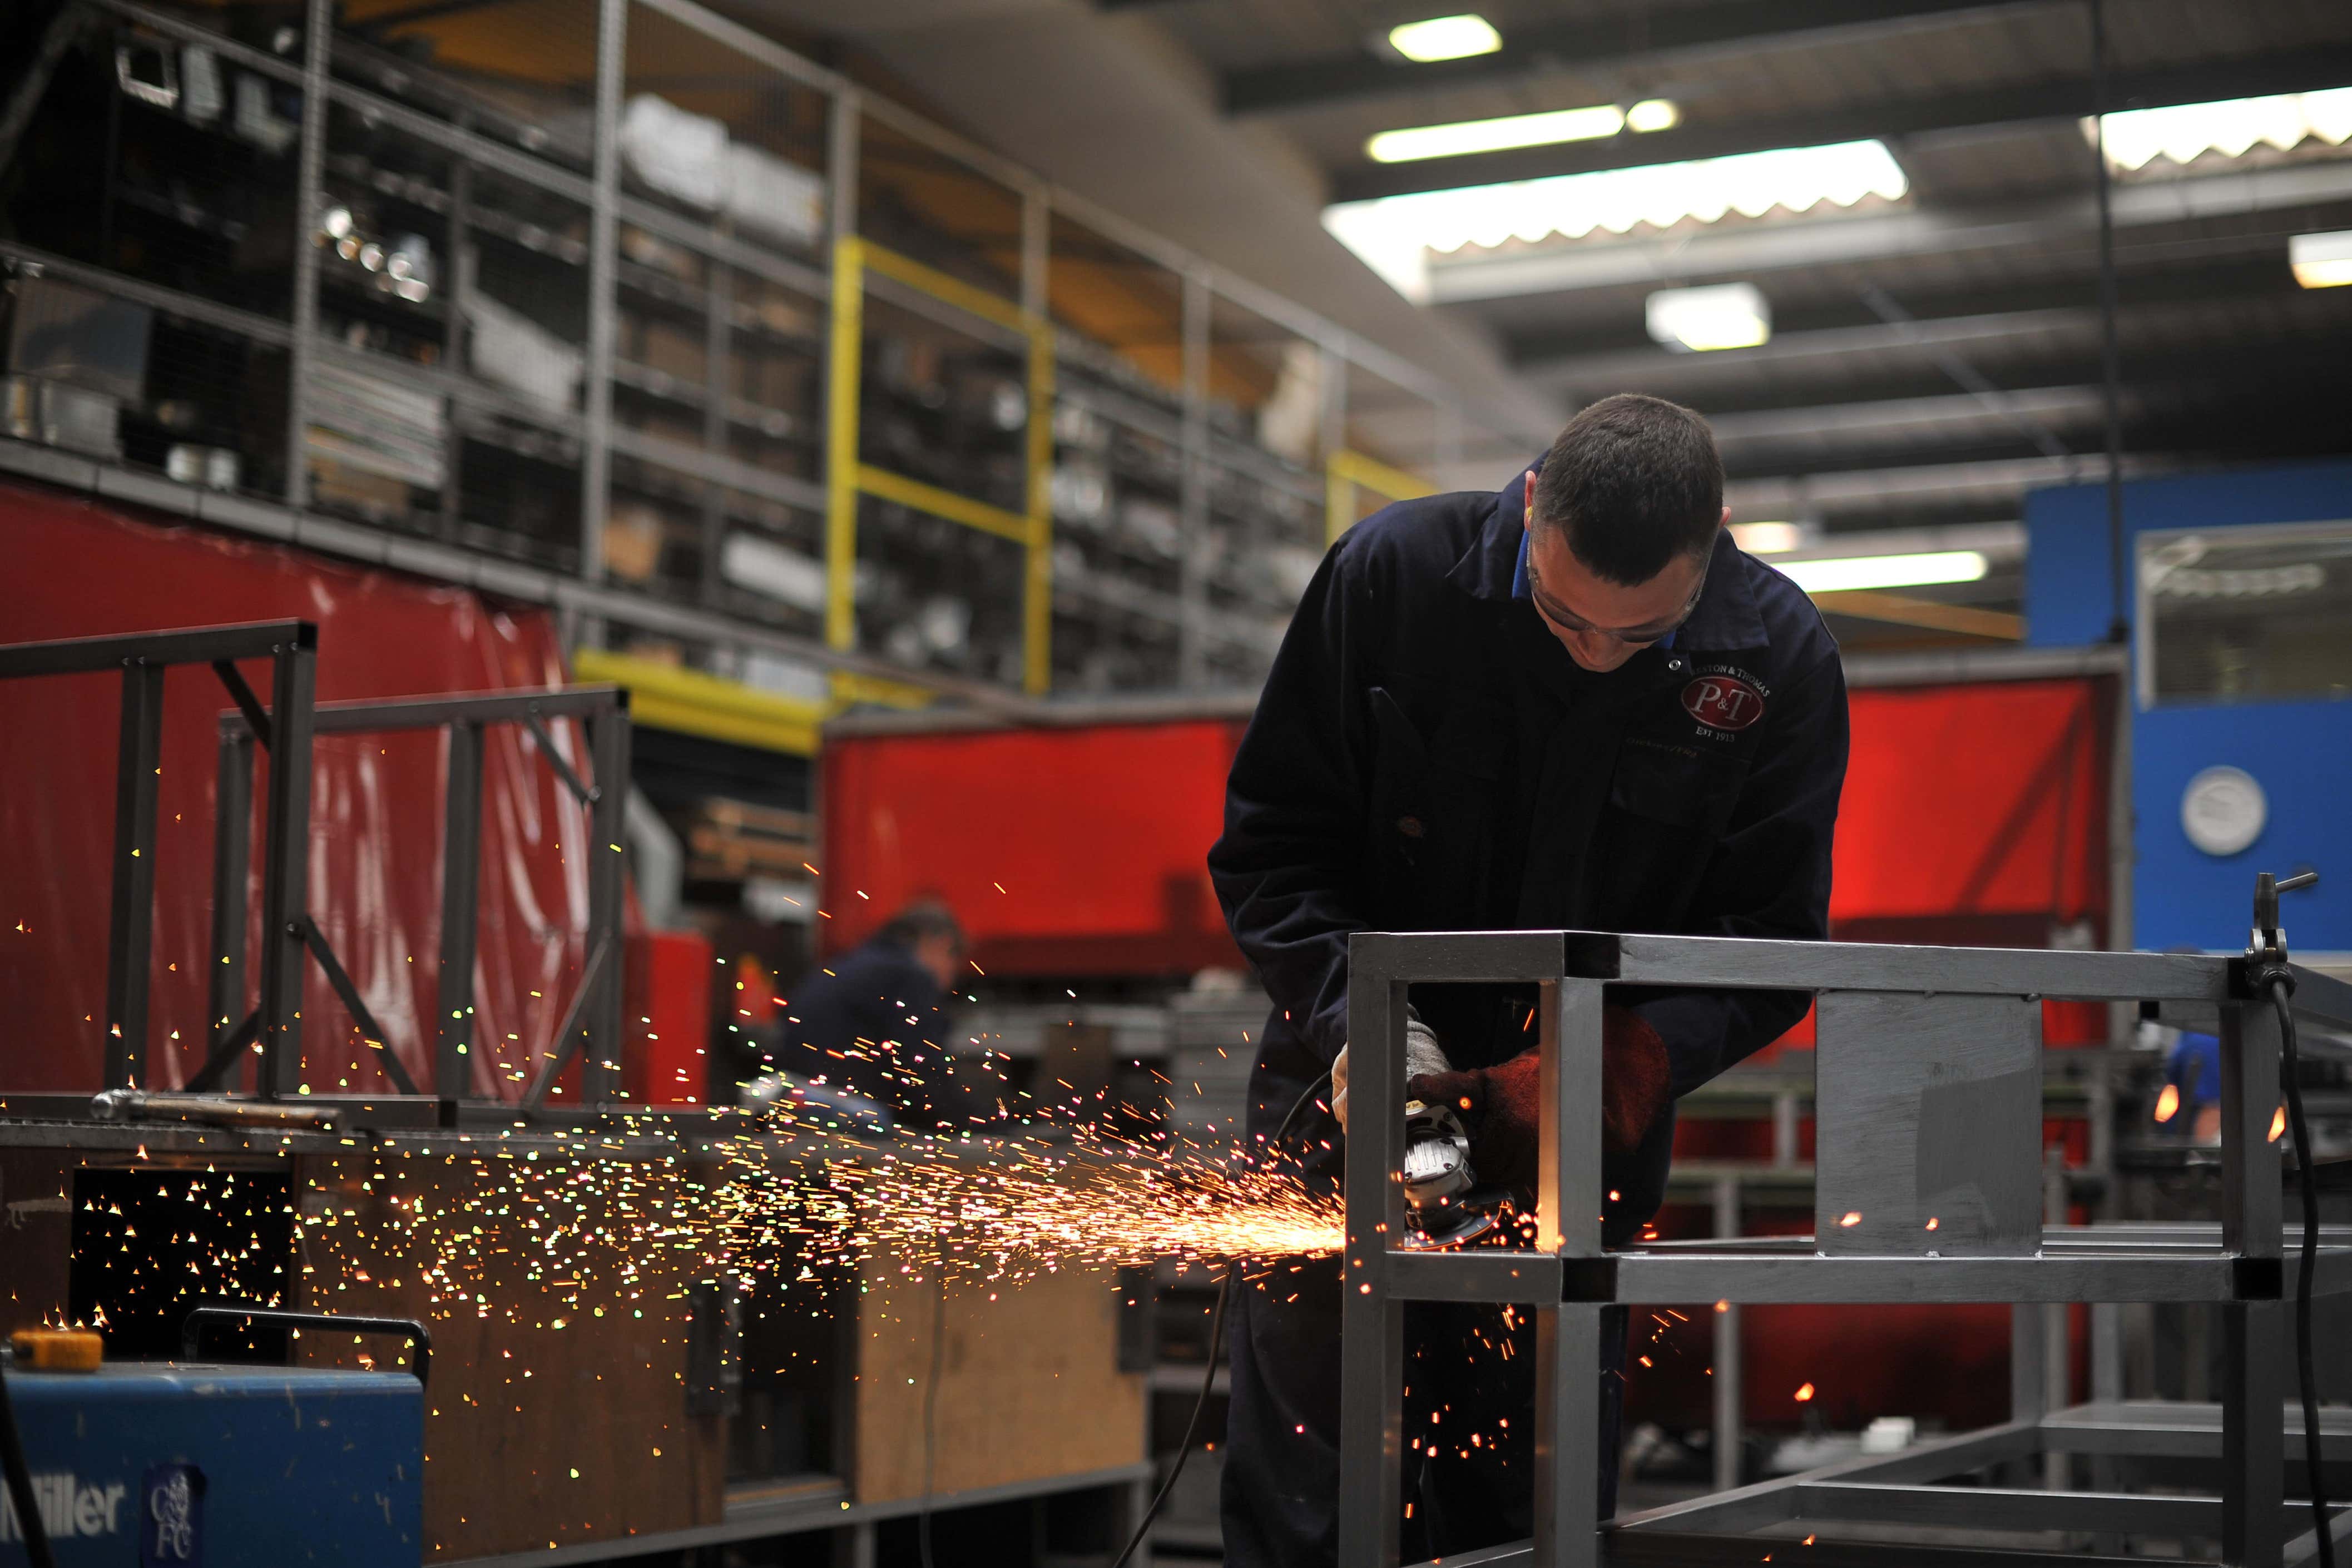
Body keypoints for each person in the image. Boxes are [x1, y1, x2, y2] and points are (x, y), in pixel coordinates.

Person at [1207, 393, 1850, 1563]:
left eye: (1637, 637)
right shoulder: (1392, 578)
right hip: (1346, 1100)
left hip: (1574, 1140)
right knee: (1316, 1484)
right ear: (1527, 504)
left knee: (1528, 1495)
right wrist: (1375, 1032)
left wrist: (1583, 1082)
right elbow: (1272, 849)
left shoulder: (1780, 658)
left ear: (1711, 545)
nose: (1592, 652)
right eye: (1560, 614)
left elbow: (1763, 945)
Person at [757, 900, 970, 1128]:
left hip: (800, 1099)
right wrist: (975, 1126)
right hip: (847, 1112)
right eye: (954, 963)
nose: (952, 978)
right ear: (940, 944)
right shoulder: (908, 976)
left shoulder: (852, 964)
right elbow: (923, 1076)